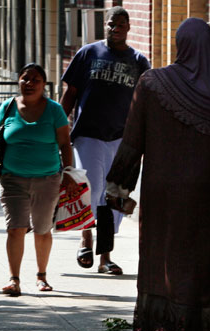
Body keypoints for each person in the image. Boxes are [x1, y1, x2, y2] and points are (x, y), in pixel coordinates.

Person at [107, 18, 210, 331]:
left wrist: (119, 188)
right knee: (194, 265)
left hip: (160, 194)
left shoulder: (152, 82)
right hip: (202, 198)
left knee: (159, 261)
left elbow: (132, 141)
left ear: (180, 44)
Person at [60, 6, 150, 275]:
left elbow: (145, 103)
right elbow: (71, 93)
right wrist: (56, 126)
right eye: (112, 23)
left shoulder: (138, 61)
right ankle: (86, 241)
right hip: (88, 134)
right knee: (91, 190)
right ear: (105, 25)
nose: (116, 28)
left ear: (129, 27)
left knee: (113, 197)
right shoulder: (88, 53)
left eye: (121, 24)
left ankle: (106, 257)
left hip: (122, 139)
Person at [0, 63, 76, 296]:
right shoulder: (7, 107)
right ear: (18, 81)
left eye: (35, 79)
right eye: (25, 78)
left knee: (42, 229)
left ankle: (41, 276)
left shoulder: (54, 110)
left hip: (47, 179)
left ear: (43, 85)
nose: (29, 83)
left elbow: (65, 144)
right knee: (15, 228)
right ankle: (14, 279)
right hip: (12, 177)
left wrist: (69, 173)